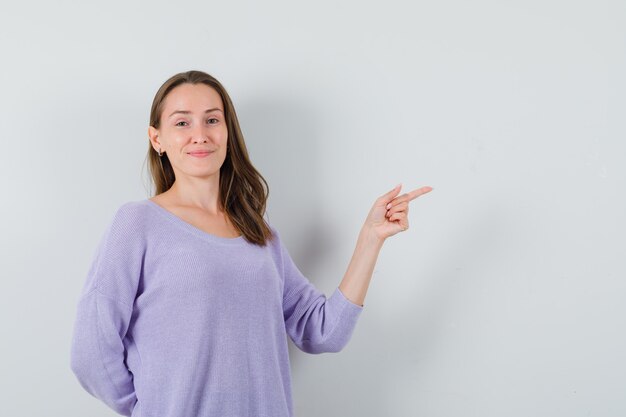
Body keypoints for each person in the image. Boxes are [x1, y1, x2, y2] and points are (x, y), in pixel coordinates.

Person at [69, 70, 433, 417]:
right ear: (157, 139)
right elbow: (91, 352)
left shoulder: (258, 233)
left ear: (228, 132)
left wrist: (370, 238)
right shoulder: (137, 224)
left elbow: (324, 331)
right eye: (182, 122)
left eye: (212, 120)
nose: (200, 134)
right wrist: (149, 408)